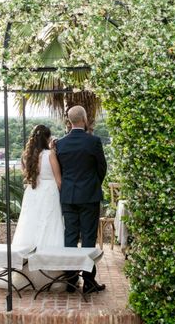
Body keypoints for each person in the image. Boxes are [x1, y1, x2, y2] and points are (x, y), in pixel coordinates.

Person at [56, 105, 107, 294]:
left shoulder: (60, 144)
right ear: (84, 119)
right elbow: (102, 168)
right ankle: (88, 282)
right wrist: (93, 184)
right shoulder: (93, 141)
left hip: (68, 196)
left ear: (69, 121)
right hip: (89, 196)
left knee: (70, 237)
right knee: (88, 238)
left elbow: (60, 170)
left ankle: (70, 281)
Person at [11, 124, 65, 287]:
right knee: (50, 228)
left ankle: (25, 275)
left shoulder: (26, 155)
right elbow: (59, 180)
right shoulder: (50, 155)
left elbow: (28, 174)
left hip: (32, 193)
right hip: (49, 194)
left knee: (30, 228)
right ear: (48, 138)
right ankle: (52, 276)